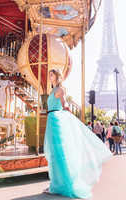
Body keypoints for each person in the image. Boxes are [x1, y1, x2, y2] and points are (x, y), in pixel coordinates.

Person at [43, 69, 112, 199]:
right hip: (51, 119)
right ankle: (56, 184)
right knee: (54, 154)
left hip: (56, 120)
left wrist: (68, 109)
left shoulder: (60, 89)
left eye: (51, 74)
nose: (49, 76)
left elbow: (64, 103)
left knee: (59, 153)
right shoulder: (52, 90)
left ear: (57, 77)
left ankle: (64, 184)